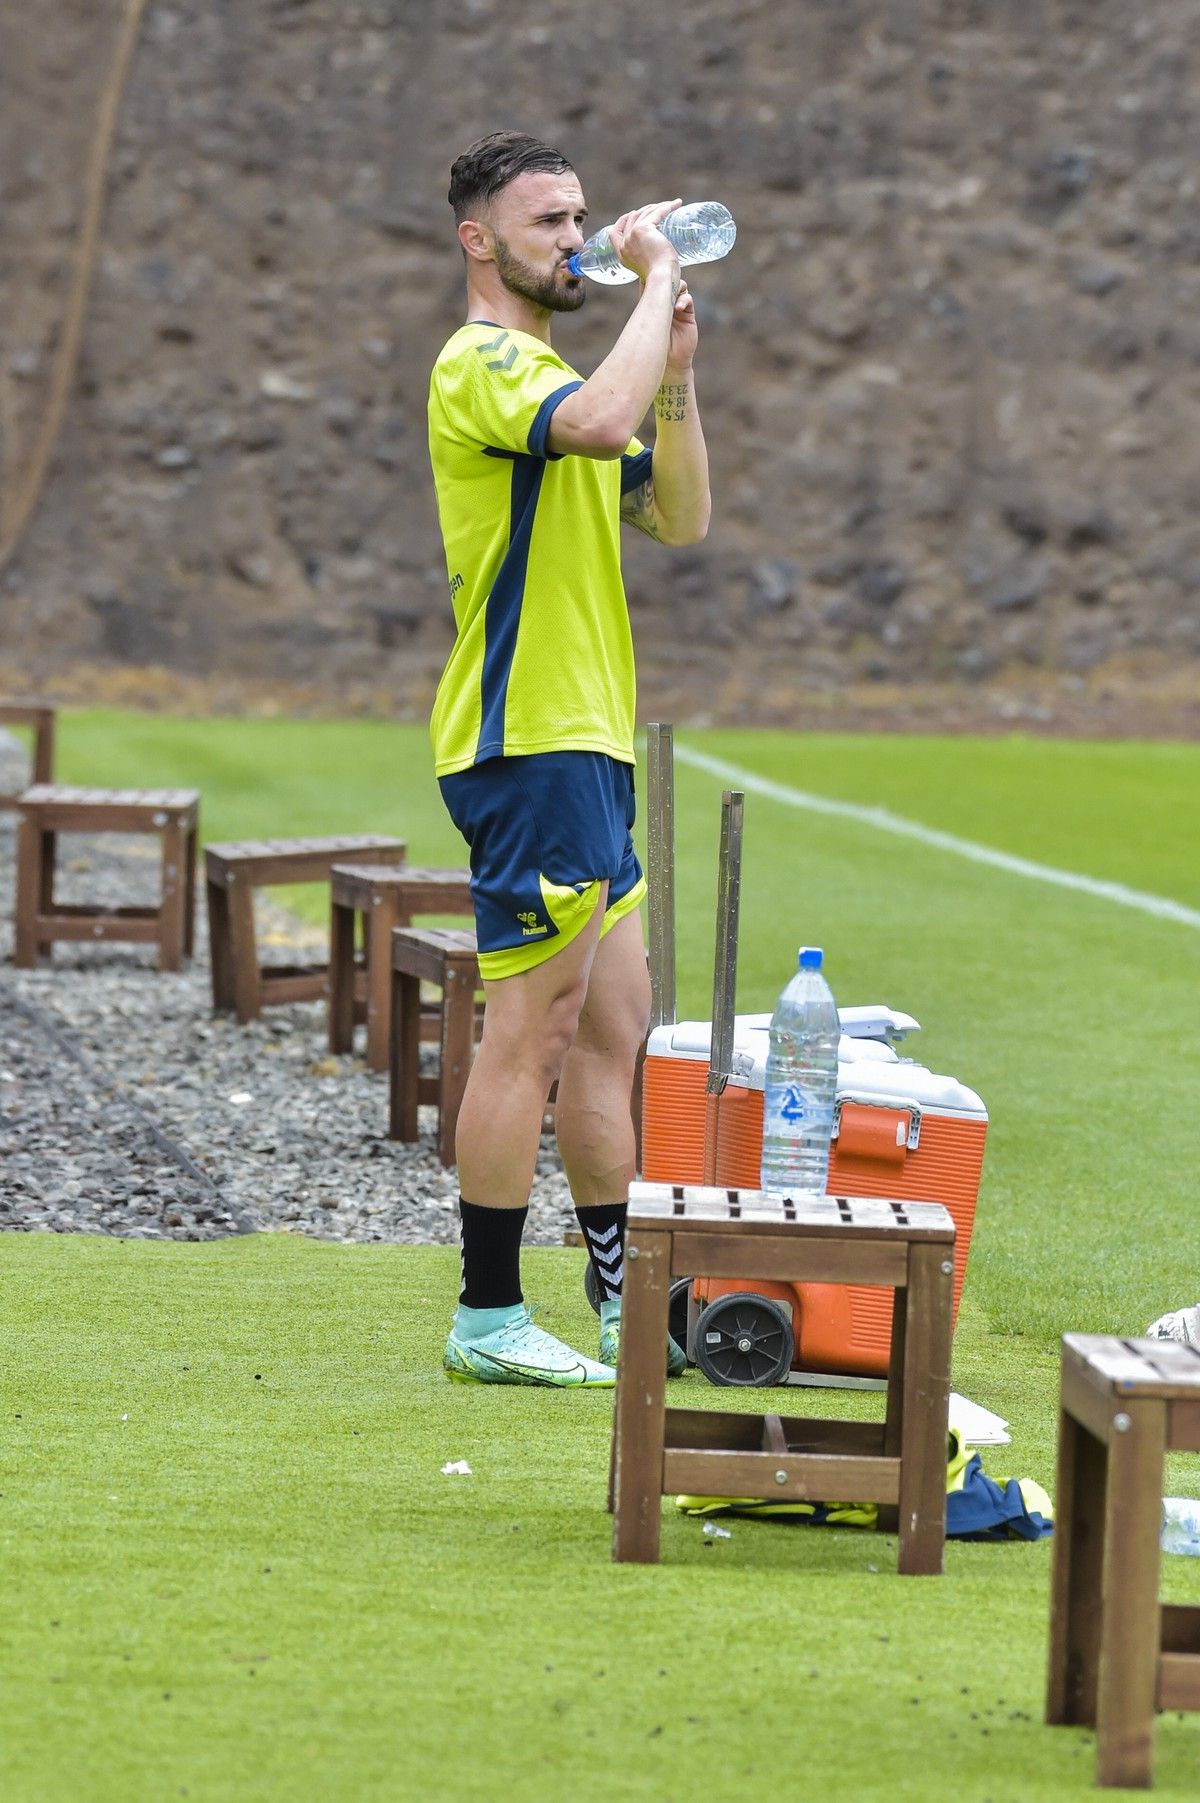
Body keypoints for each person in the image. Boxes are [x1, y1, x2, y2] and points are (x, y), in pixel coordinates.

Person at [427, 131, 711, 1386]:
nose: (577, 238)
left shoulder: (558, 377)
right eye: (550, 221)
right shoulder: (483, 363)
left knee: (612, 1034)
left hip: (589, 745)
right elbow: (598, 417)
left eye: (584, 216)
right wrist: (651, 289)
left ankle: (619, 1305)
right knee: (528, 1038)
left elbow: (682, 515)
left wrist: (680, 372)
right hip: (528, 743)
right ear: (481, 242)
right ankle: (488, 1318)